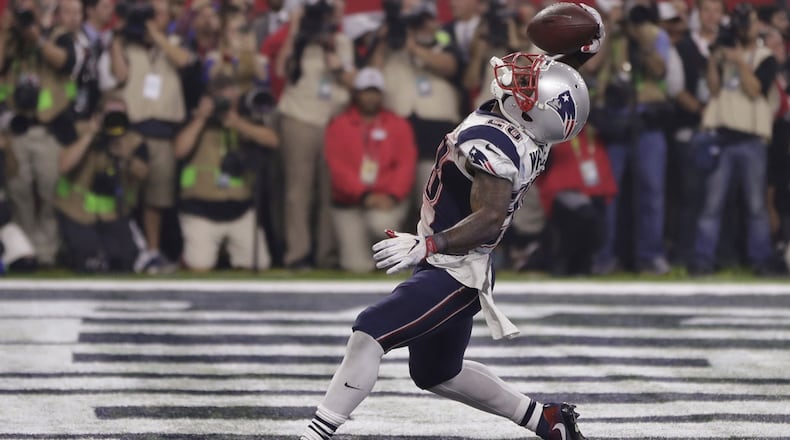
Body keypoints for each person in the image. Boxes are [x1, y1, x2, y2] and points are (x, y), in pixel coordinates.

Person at [299, 5, 603, 439]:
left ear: (534, 111)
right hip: (456, 265)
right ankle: (544, 419)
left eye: (528, 83)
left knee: (369, 331)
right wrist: (587, 43)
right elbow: (561, 83)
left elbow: (490, 216)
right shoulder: (538, 127)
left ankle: (317, 431)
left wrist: (427, 246)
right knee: (438, 372)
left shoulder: (496, 145)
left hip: (454, 271)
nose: (522, 73)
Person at [105, 0, 194, 272]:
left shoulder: (176, 41)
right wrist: (118, 40)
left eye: (158, 14)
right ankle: (127, 249)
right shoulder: (128, 44)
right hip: (133, 130)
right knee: (128, 194)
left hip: (164, 131)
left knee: (157, 198)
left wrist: (156, 35)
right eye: (149, 14)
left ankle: (153, 251)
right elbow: (119, 75)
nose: (153, 18)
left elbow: (185, 61)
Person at [689, 3, 778, 276]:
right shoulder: (723, 52)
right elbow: (714, 89)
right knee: (712, 205)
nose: (742, 28)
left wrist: (739, 60)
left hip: (752, 140)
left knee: (755, 206)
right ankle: (703, 260)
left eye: (746, 23)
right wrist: (717, 57)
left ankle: (761, 260)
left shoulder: (766, 57)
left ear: (755, 26)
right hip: (723, 137)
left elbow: (755, 91)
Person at [276, 0, 355, 269]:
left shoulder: (342, 42)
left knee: (328, 191)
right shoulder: (299, 42)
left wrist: (337, 67)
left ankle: (326, 255)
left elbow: (354, 83)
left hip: (334, 121)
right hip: (299, 119)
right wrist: (295, 29)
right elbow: (279, 70)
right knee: (298, 192)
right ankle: (297, 254)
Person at [0, 0, 80, 266]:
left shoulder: (57, 35)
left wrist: (35, 38)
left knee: (49, 190)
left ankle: (47, 251)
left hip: (48, 128)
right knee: (18, 191)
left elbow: (66, 62)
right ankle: (26, 251)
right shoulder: (9, 39)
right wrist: (4, 31)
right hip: (16, 128)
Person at [174, 75, 278, 271]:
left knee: (259, 264)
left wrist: (237, 123)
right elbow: (179, 150)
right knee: (199, 266)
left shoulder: (244, 120)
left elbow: (272, 140)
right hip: (200, 210)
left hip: (240, 209)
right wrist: (201, 118)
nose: (224, 104)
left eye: (230, 99)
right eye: (220, 99)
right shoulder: (195, 120)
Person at [324, 67, 417, 273]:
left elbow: (405, 165)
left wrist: (392, 196)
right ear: (356, 93)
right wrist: (364, 195)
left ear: (382, 95)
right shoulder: (339, 125)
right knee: (356, 266)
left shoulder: (398, 125)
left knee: (380, 223)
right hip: (348, 203)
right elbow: (337, 169)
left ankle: (395, 257)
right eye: (366, 91)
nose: (371, 97)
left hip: (386, 201)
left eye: (375, 91)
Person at [54, 94, 148, 272]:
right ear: (98, 115)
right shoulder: (79, 130)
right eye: (110, 115)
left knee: (123, 261)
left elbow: (143, 174)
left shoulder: (132, 140)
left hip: (113, 214)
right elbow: (64, 166)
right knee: (89, 260)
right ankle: (66, 251)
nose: (114, 120)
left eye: (120, 115)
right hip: (76, 211)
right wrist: (90, 135)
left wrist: (126, 156)